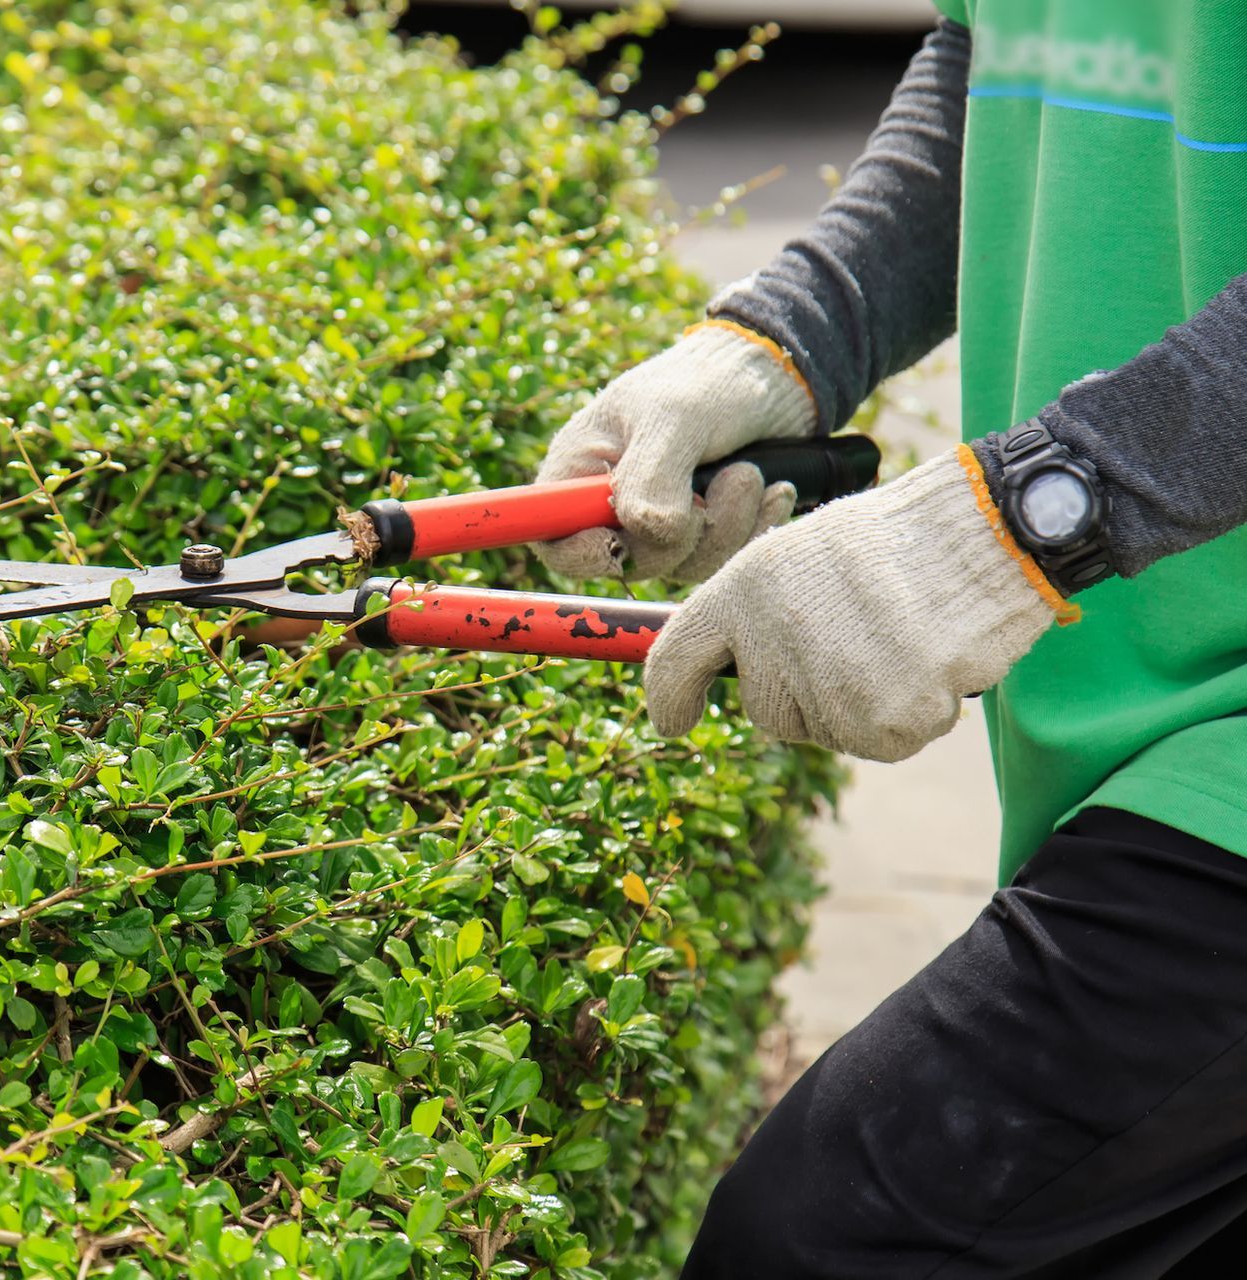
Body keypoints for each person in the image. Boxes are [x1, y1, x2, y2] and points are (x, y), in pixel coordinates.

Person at [533, 5, 1247, 1275]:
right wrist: (790, 339)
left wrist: (1027, 516)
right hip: (1145, 719)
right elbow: (1016, 53)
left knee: (816, 1240)